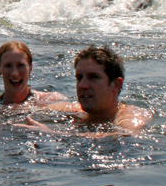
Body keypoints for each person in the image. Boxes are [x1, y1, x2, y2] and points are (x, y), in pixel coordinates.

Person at [19, 44, 152, 134]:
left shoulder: (131, 115)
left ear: (116, 85)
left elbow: (122, 136)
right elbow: (18, 108)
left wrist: (52, 134)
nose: (82, 85)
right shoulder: (75, 110)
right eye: (79, 77)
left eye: (93, 77)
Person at [0, 41, 66, 106]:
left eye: (20, 66)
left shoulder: (51, 100)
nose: (15, 73)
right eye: (8, 66)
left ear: (30, 68)